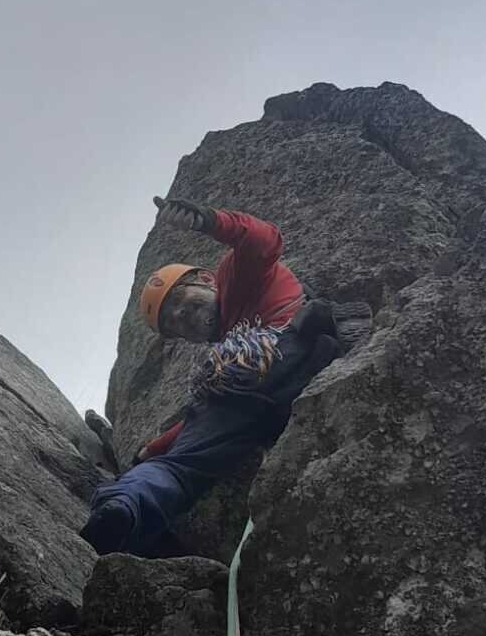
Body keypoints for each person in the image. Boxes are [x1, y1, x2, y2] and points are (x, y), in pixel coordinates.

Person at [81, 198, 341, 558]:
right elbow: (205, 419)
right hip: (271, 392)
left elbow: (264, 240)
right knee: (191, 449)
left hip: (278, 356)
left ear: (205, 279)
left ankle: (126, 505)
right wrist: (154, 448)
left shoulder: (237, 279)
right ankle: (126, 523)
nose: (180, 316)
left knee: (180, 467)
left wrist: (208, 220)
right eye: (172, 323)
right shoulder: (228, 346)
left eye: (180, 301)